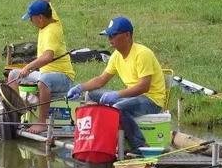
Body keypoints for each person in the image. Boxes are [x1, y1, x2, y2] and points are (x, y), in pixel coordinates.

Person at [66, 16, 167, 151]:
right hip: (132, 96)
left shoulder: (142, 54)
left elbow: (144, 86)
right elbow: (101, 80)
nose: (110, 40)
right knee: (91, 95)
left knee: (118, 108)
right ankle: (94, 135)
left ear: (127, 35)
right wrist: (80, 87)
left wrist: (117, 94)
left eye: (113, 36)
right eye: (109, 36)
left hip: (151, 100)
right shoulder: (116, 56)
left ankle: (140, 145)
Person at [8, 0, 75, 133]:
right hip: (46, 73)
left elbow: (48, 56)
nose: (30, 22)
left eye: (31, 18)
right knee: (14, 75)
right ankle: (18, 112)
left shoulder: (53, 29)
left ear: (39, 18)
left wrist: (29, 66)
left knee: (43, 80)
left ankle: (42, 121)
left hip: (62, 77)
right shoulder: (48, 11)